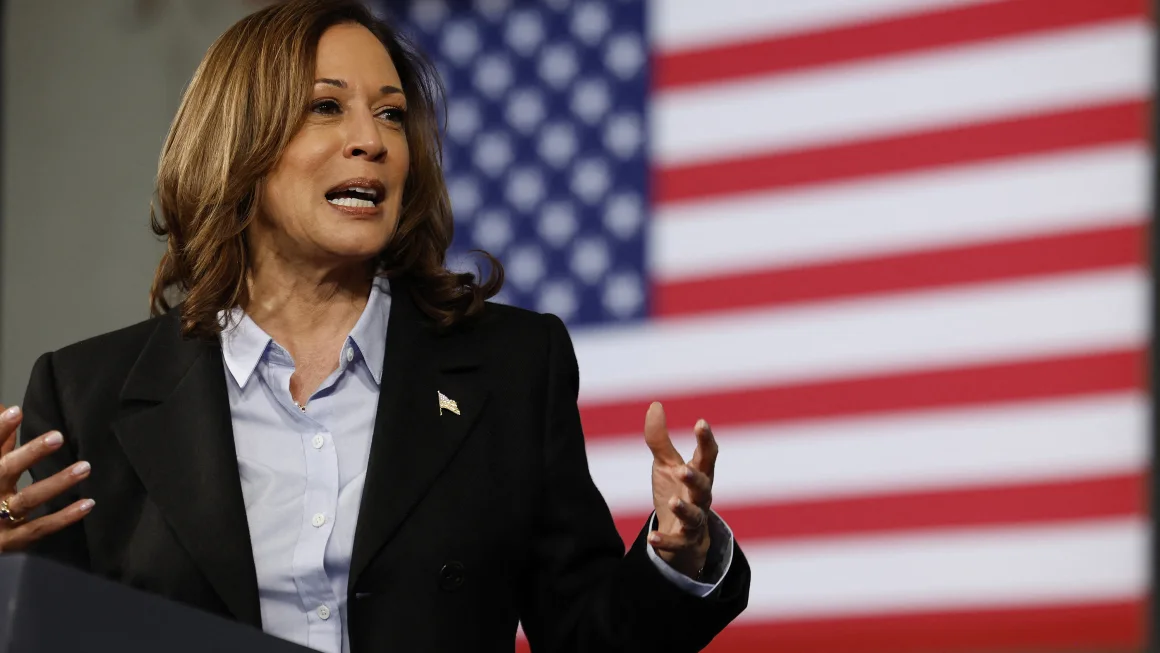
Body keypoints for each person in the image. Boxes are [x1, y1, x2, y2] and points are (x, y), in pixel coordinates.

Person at [0, 1, 750, 651]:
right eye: (327, 106)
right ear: (238, 144)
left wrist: (678, 554)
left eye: (391, 112)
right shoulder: (85, 395)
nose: (374, 140)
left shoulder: (513, 366)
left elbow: (589, 636)